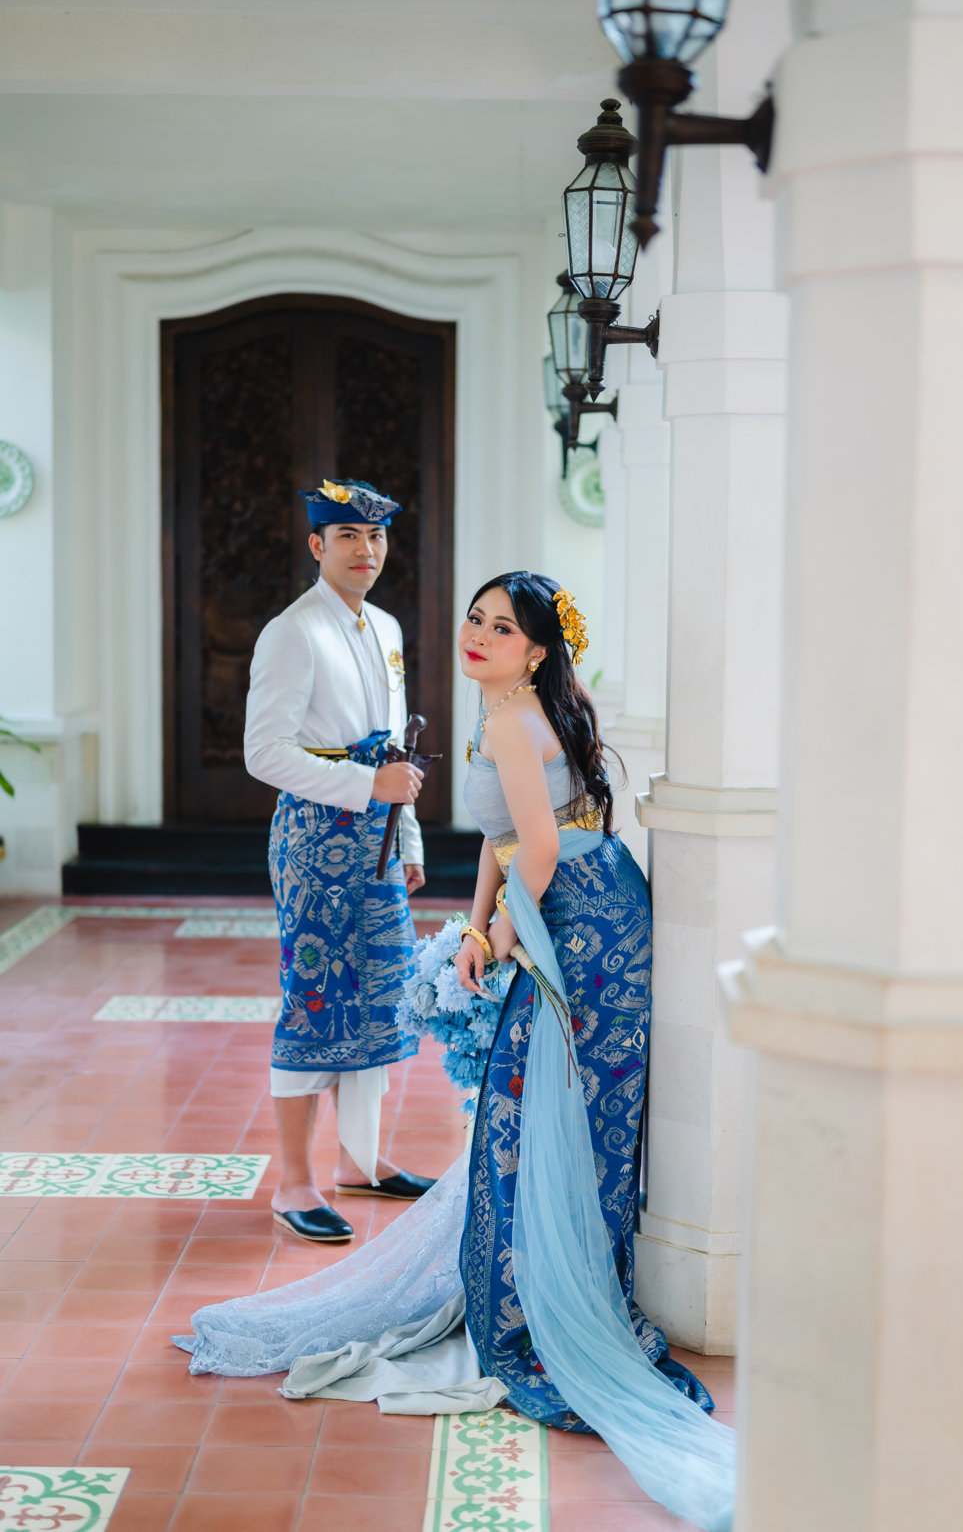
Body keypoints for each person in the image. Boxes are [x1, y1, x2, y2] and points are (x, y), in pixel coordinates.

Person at [181, 571, 736, 1530]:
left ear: (537, 649)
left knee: (546, 1107)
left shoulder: (517, 720)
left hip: (584, 923)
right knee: (534, 1104)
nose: (478, 635)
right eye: (476, 619)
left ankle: (545, 1300)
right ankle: (530, 1280)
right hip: (563, 904)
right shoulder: (504, 707)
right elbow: (503, 835)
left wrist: (498, 939)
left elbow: (542, 849)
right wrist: (477, 922)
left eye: (502, 627)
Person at [243, 477, 435, 1244]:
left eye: (376, 536)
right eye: (349, 535)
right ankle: (295, 1181)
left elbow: (394, 750)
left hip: (378, 841)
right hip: (315, 844)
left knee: (377, 996)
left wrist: (406, 837)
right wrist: (364, 787)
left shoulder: (384, 626)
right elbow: (264, 752)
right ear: (317, 544)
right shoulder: (291, 631)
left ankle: (360, 1159)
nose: (366, 549)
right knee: (315, 998)